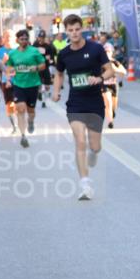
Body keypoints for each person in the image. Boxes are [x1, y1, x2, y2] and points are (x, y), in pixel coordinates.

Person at [53, 14, 113, 201]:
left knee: (95, 146)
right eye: (70, 30)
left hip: (95, 102)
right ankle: (85, 185)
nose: (74, 33)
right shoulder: (63, 54)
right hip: (76, 103)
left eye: (77, 29)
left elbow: (109, 69)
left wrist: (100, 78)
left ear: (82, 29)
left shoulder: (95, 48)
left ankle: (94, 153)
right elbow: (59, 74)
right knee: (80, 142)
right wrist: (56, 91)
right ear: (66, 32)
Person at [5, 29, 47, 148]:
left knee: (31, 111)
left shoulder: (34, 51)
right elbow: (9, 66)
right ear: (17, 40)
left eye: (26, 39)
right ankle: (23, 135)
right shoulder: (12, 53)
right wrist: (10, 71)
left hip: (33, 85)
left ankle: (31, 121)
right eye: (21, 39)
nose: (24, 41)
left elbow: (43, 65)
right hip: (19, 85)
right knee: (20, 109)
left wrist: (36, 68)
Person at [101, 42, 126, 129]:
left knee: (113, 106)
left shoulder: (115, 62)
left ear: (112, 52)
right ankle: (110, 122)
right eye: (105, 51)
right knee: (108, 102)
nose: (107, 53)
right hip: (104, 85)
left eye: (109, 51)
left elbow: (124, 71)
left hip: (113, 85)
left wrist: (116, 69)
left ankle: (112, 112)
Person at [34, 31, 57, 108]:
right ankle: (42, 99)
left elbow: (49, 58)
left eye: (43, 38)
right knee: (39, 84)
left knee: (47, 86)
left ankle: (44, 98)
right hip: (37, 67)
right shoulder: (35, 45)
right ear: (38, 38)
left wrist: (47, 59)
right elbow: (33, 56)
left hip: (45, 67)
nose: (41, 39)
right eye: (40, 37)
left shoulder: (48, 46)